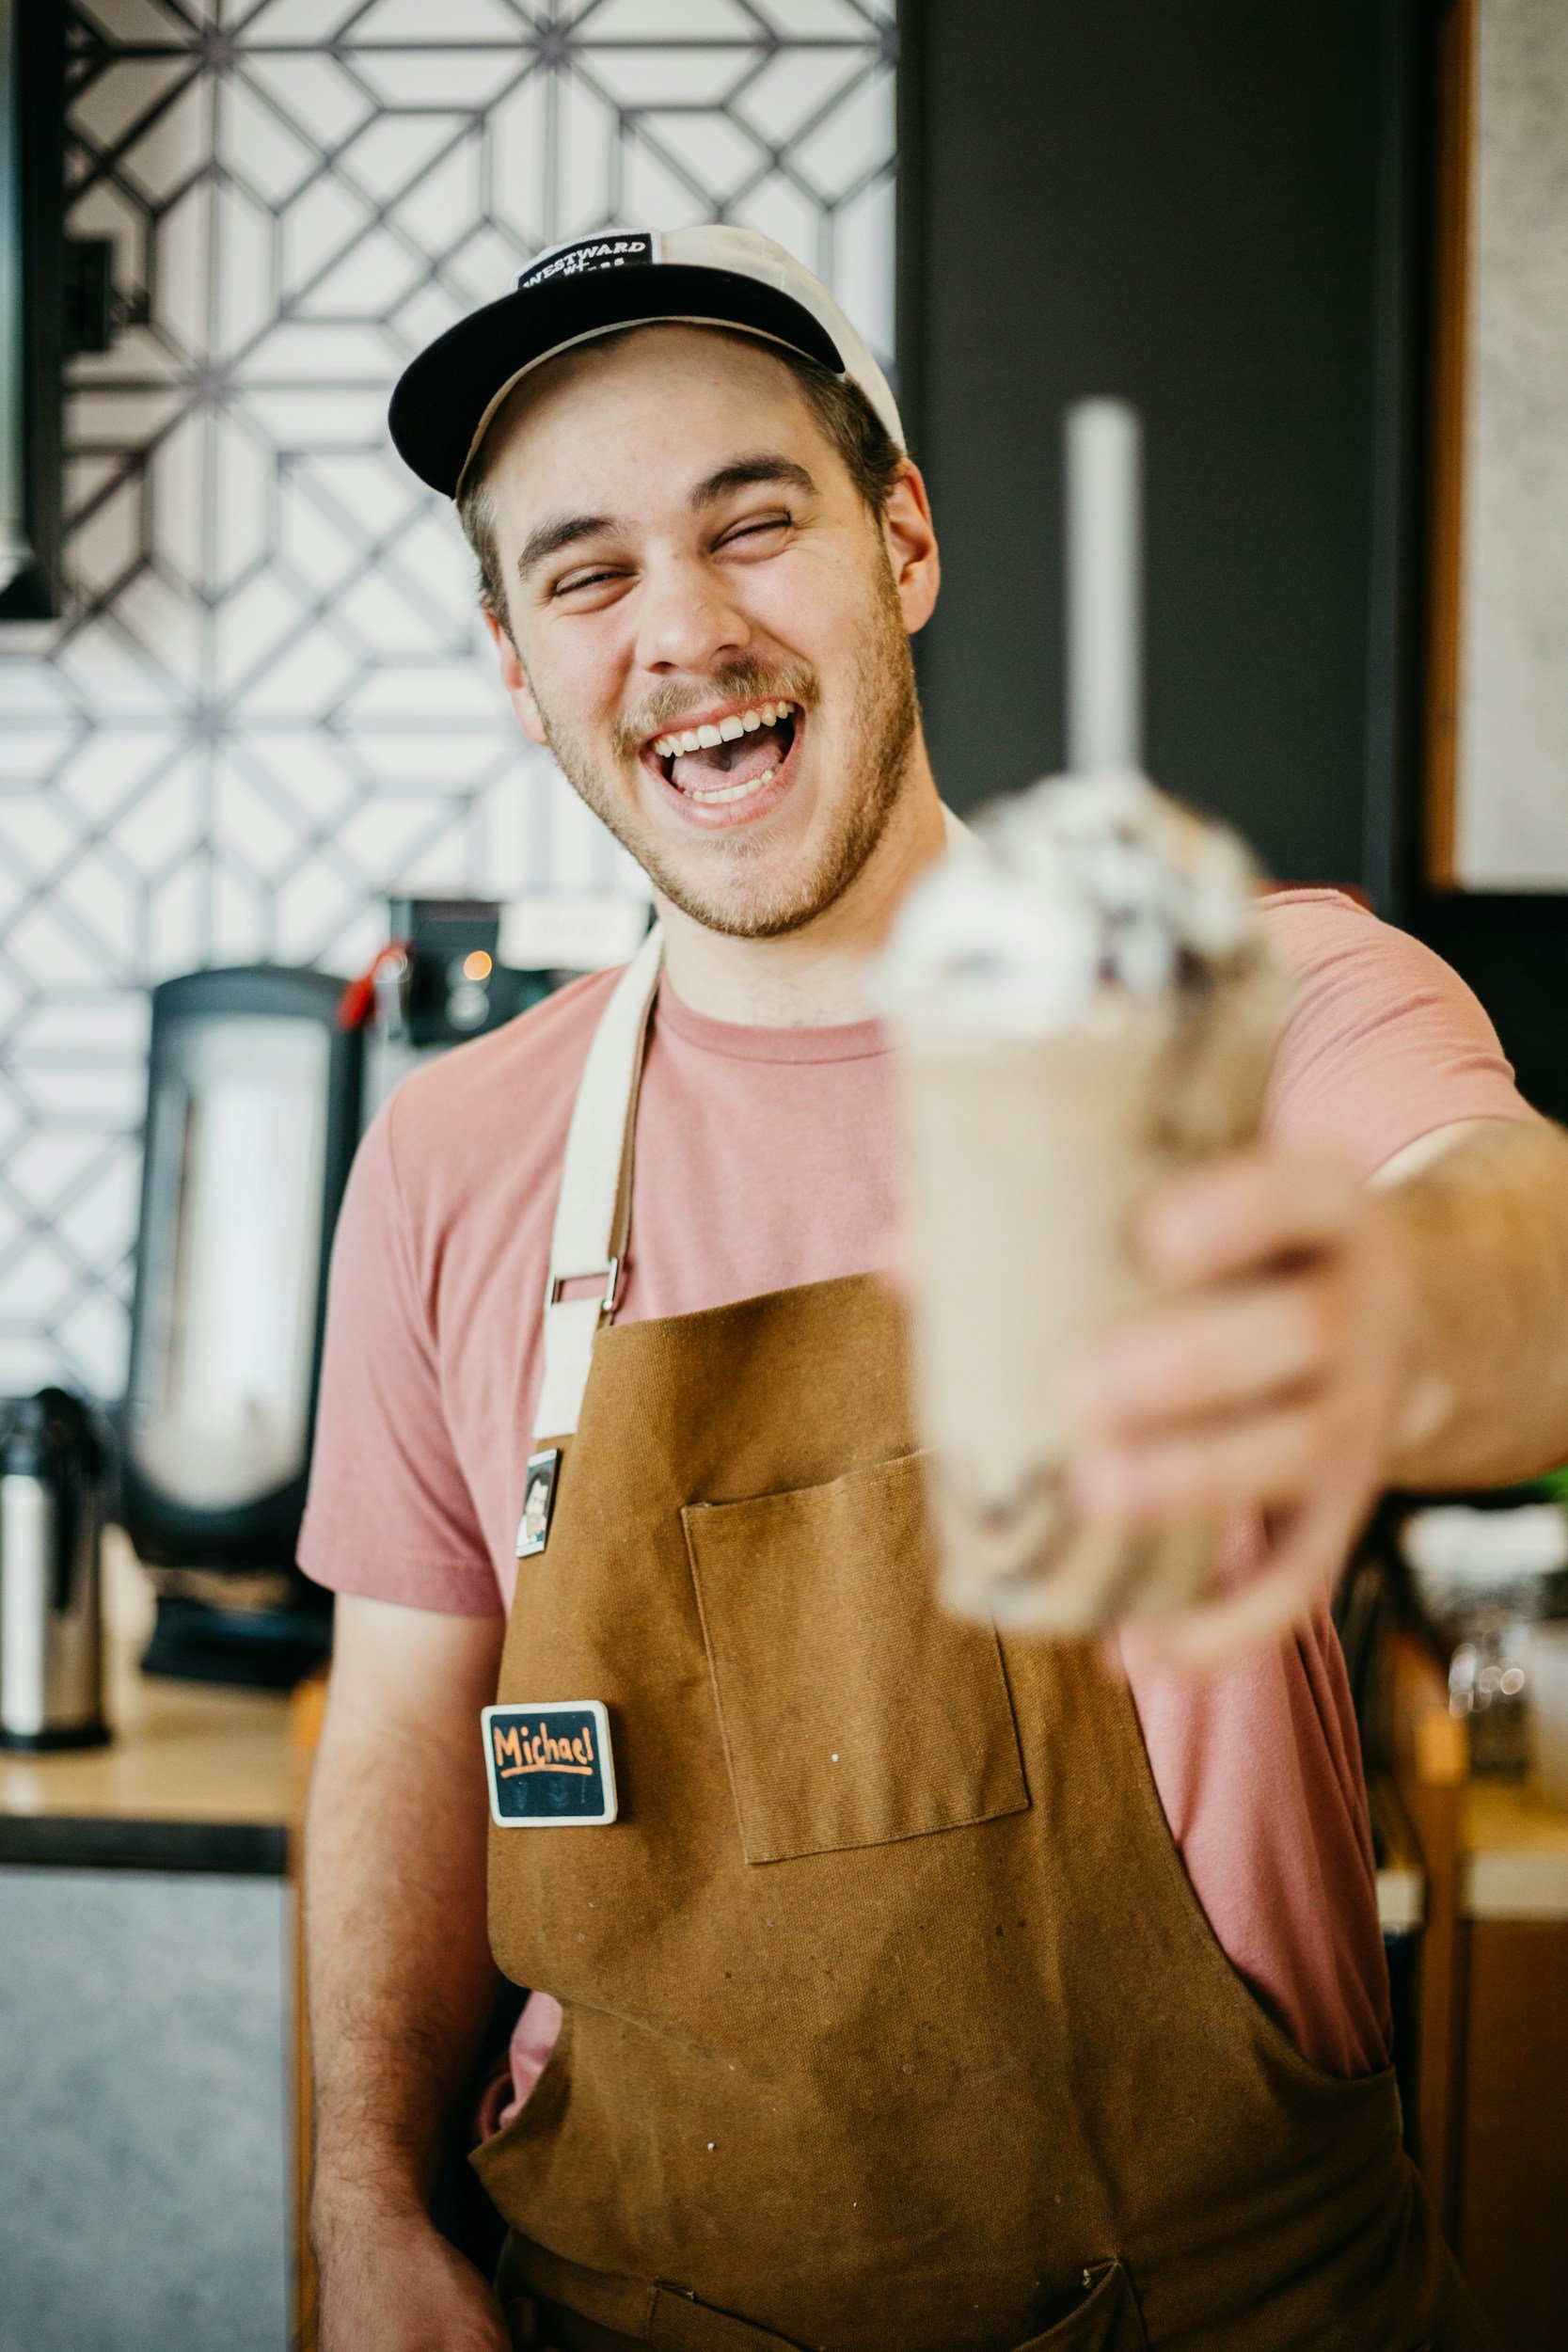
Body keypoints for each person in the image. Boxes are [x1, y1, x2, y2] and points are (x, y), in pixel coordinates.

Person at [299, 229, 1568, 2352]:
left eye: (753, 521)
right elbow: (409, 1723)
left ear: (902, 541)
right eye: (586, 572)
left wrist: (1366, 1303)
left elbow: (1515, 1241)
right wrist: (357, 2194)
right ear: (522, 668)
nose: (685, 628)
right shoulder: (453, 1154)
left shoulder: (1252, 1004)